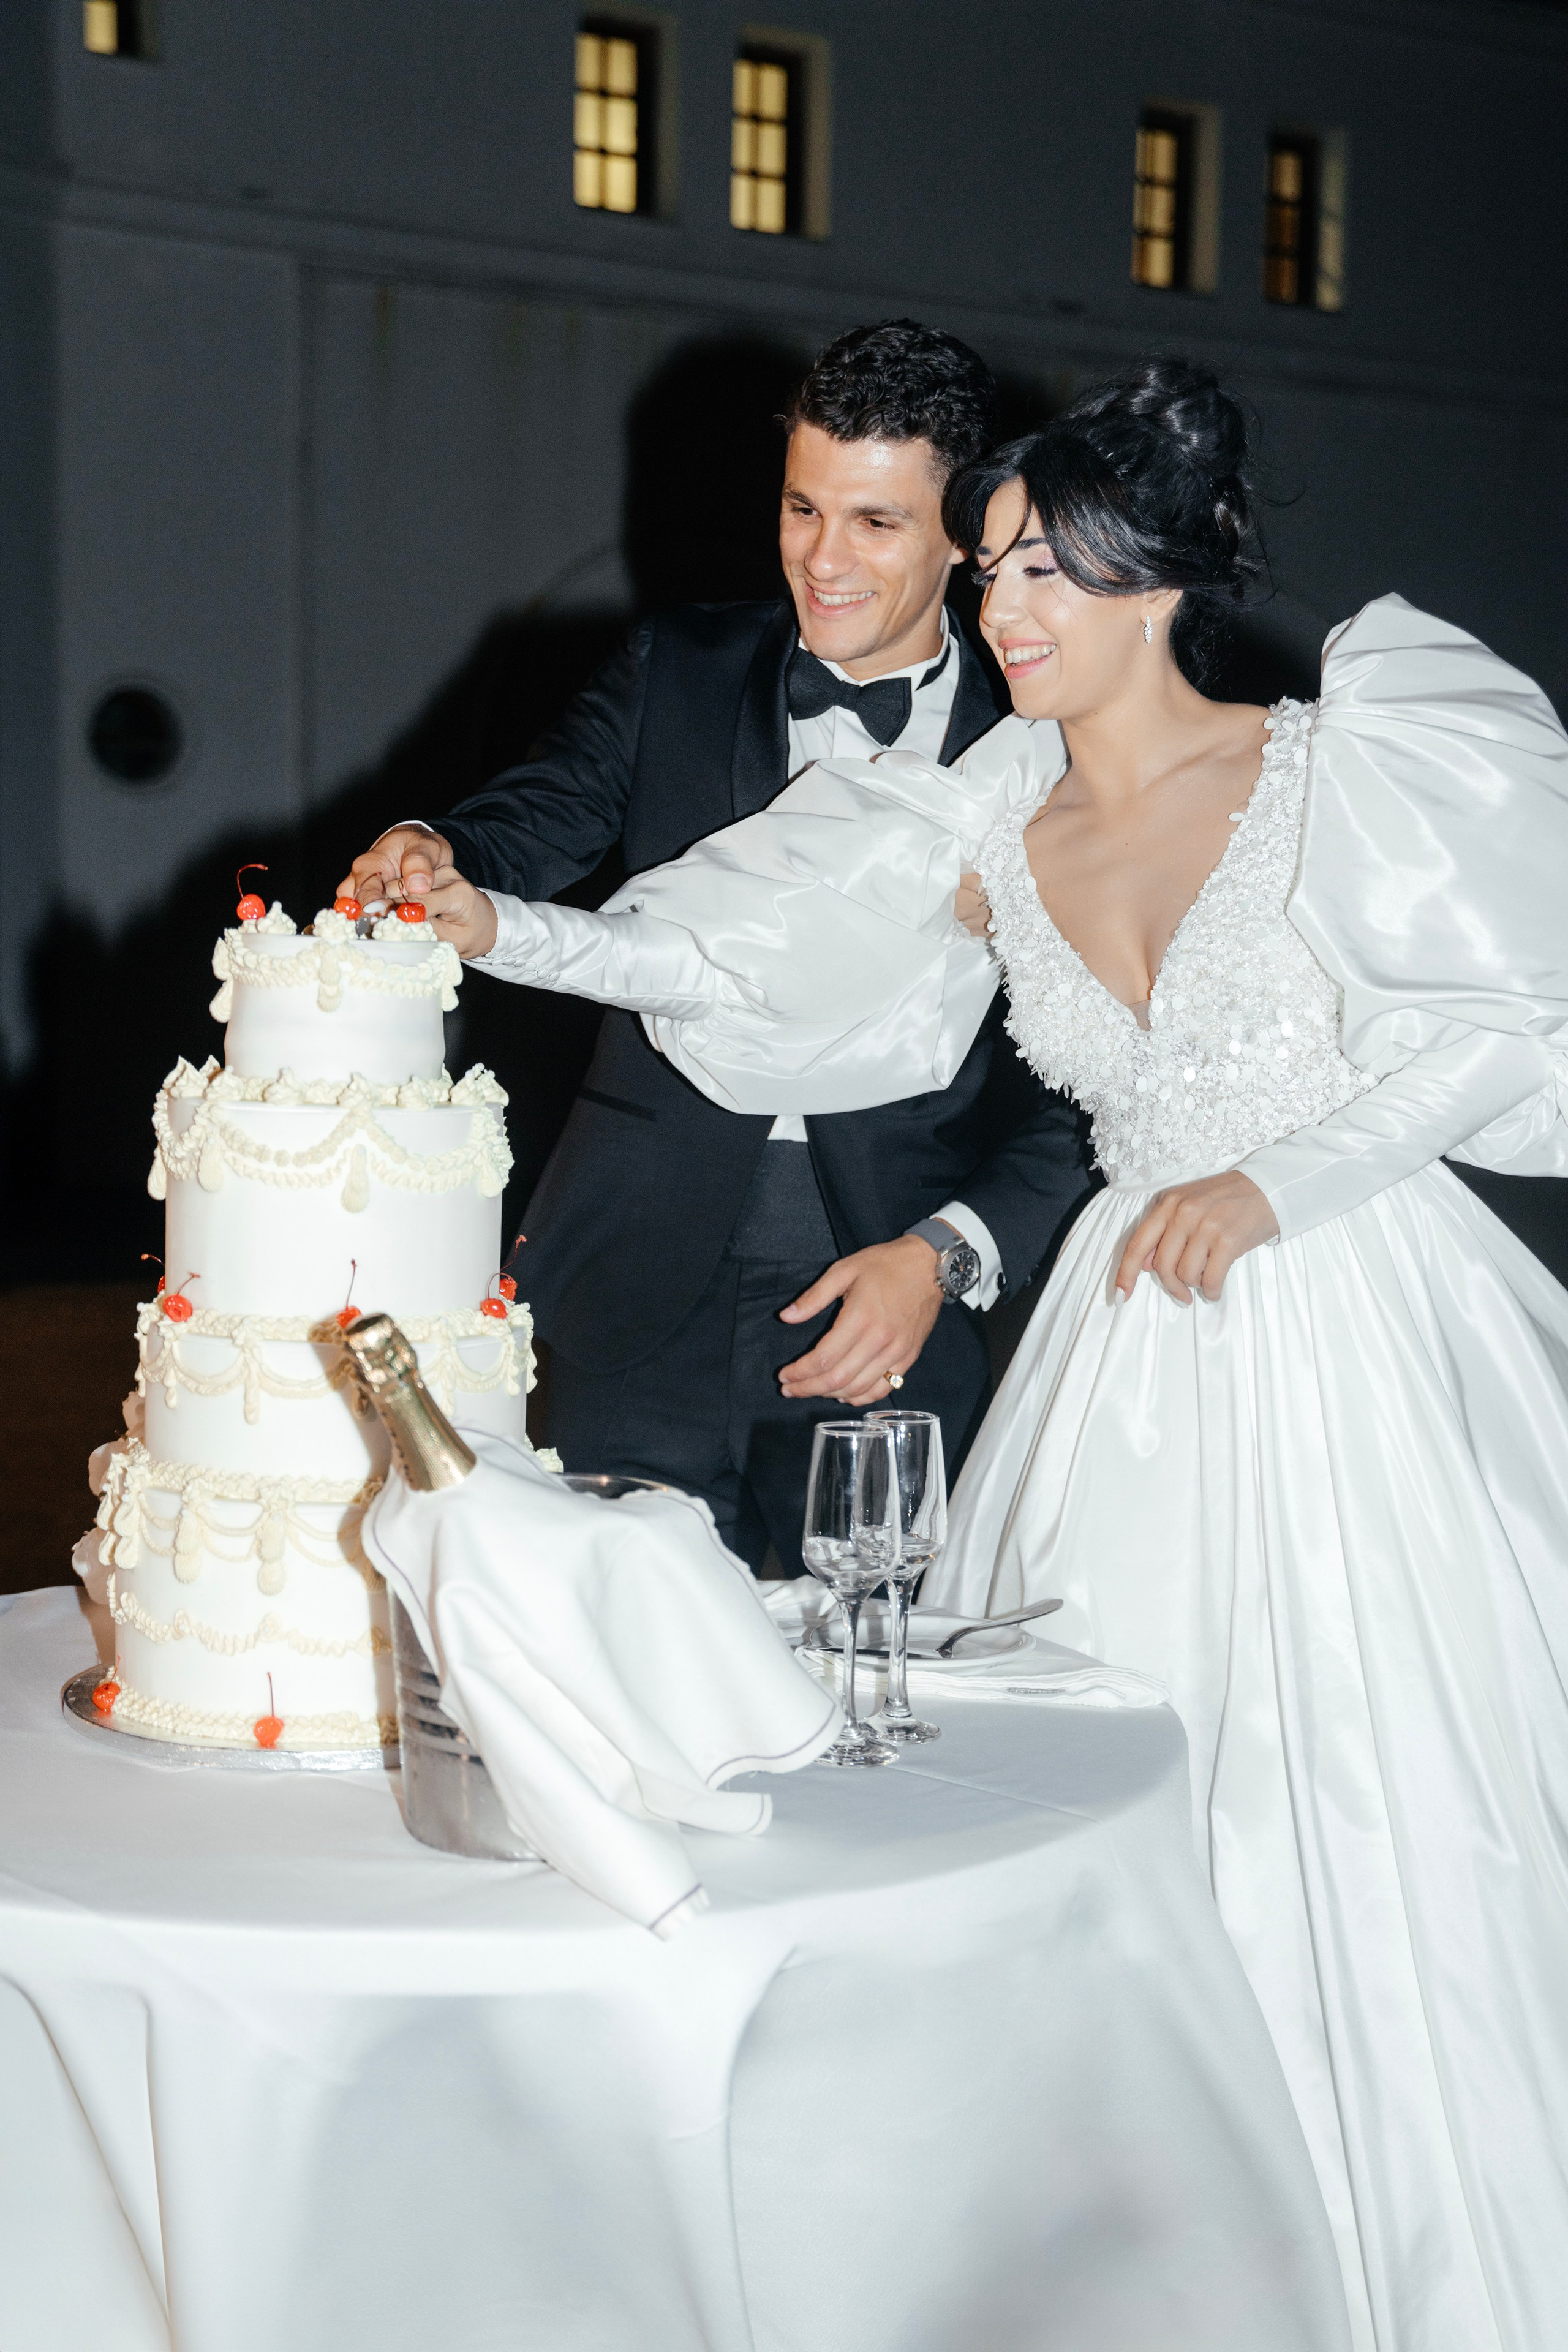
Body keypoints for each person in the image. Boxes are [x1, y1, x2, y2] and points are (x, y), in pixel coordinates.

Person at [384, 356, 1568, 2349]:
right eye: (1000, 573)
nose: (1004, 612)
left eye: (1042, 574)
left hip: (1342, 1310)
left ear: (1163, 581)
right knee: (1073, 1799)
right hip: (1128, 1341)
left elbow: (1493, 1023)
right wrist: (494, 924)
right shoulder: (990, 816)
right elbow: (713, 959)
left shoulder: (1328, 760)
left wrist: (1288, 1182)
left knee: (1358, 1787)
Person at [341, 320, 1094, 1574]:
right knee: (615, 1683)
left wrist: (945, 1255)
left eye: (874, 522)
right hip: (630, 1289)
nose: (823, 559)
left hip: (885, 1305)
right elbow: (540, 812)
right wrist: (434, 849)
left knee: (855, 1690)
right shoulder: (677, 666)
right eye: (803, 508)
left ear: (965, 536)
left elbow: (1093, 1081)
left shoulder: (1050, 750)